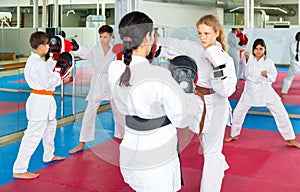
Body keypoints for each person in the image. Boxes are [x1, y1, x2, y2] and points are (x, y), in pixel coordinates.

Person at [108, 11, 202, 192]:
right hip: (156, 154)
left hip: (130, 149)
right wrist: (187, 91)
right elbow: (182, 118)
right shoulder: (159, 75)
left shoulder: (115, 69)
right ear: (148, 38)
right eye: (153, 34)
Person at [157, 14, 237, 192]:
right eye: (200, 33)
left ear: (216, 33)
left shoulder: (226, 59)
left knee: (211, 153)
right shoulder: (193, 48)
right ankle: (218, 167)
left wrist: (218, 69)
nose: (202, 37)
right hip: (197, 103)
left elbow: (227, 91)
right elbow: (174, 45)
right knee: (206, 144)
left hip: (216, 105)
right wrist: (152, 43)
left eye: (207, 33)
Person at [224, 38, 300, 148]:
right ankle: (234, 134)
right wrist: (245, 53)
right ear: (253, 49)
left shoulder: (269, 62)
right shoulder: (249, 59)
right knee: (238, 112)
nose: (258, 51)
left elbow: (273, 77)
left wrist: (267, 75)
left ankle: (290, 138)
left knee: (281, 113)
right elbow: (244, 62)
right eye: (256, 49)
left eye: (261, 48)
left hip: (265, 91)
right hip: (250, 91)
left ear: (265, 49)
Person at [13, 31, 66, 180]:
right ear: (42, 46)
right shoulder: (36, 63)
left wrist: (53, 60)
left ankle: (49, 155)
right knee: (33, 135)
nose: (49, 47)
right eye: (48, 45)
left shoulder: (37, 61)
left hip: (45, 100)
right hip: (39, 100)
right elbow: (49, 81)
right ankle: (19, 169)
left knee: (50, 127)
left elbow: (46, 70)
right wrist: (61, 73)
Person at [68, 25, 125, 154]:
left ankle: (124, 137)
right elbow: (83, 50)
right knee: (89, 113)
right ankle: (82, 142)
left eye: (105, 37)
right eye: (100, 36)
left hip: (112, 82)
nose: (102, 39)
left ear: (111, 37)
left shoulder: (116, 51)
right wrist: (76, 47)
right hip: (98, 83)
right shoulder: (94, 49)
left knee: (120, 112)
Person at [280, 32, 300, 99]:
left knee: (288, 79)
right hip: (296, 65)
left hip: (294, 66)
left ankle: (283, 93)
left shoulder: (292, 43)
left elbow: (292, 54)